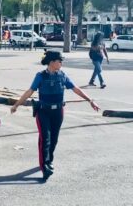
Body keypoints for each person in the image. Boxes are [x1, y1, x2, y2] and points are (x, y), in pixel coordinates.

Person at [10, 51, 100, 181]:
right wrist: (16, 105)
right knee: (45, 139)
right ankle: (44, 166)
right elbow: (30, 91)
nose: (61, 63)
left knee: (54, 139)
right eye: (59, 61)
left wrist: (90, 100)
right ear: (52, 62)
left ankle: (49, 160)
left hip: (58, 112)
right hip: (43, 112)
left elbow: (75, 88)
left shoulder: (62, 75)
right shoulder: (40, 76)